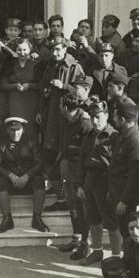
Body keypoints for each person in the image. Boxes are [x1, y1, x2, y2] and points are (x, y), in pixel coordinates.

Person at [39, 36, 84, 212]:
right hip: (52, 115)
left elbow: (81, 92)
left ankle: (67, 197)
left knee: (64, 153)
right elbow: (43, 89)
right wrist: (41, 111)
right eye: (53, 49)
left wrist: (64, 85)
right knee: (50, 150)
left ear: (65, 49)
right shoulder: (51, 65)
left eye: (58, 49)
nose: (55, 53)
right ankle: (60, 195)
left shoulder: (74, 66)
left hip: (68, 117)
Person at [76, 99, 122, 265]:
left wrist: (114, 187)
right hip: (90, 179)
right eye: (92, 117)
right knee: (93, 218)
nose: (95, 121)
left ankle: (116, 257)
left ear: (107, 115)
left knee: (110, 220)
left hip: (106, 180)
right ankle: (97, 252)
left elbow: (119, 165)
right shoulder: (89, 135)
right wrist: (80, 184)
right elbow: (81, 161)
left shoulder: (115, 136)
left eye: (98, 117)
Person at [0, 117, 49, 233]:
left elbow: (40, 163)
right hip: (11, 181)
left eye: (18, 129)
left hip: (28, 180)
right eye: (12, 130)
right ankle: (7, 219)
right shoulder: (1, 144)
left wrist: (27, 175)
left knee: (39, 180)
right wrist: (10, 175)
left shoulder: (31, 142)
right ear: (7, 130)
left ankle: (37, 218)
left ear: (23, 130)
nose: (15, 133)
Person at [55, 90, 94, 260]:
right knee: (72, 205)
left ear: (64, 106)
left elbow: (89, 149)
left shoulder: (85, 123)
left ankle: (87, 244)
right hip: (68, 168)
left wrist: (74, 150)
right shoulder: (65, 121)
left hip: (80, 171)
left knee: (82, 207)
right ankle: (76, 238)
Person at [108, 102, 139, 240]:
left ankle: (131, 261)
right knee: (124, 231)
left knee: (130, 233)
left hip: (127, 198)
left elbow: (135, 174)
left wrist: (125, 200)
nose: (113, 119)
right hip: (118, 192)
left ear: (123, 119)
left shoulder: (134, 140)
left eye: (115, 116)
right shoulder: (125, 137)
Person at [1, 38, 40, 142]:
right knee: (16, 129)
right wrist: (14, 86)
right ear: (15, 50)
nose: (22, 53)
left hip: (31, 102)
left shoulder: (35, 64)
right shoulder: (10, 64)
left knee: (31, 129)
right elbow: (4, 84)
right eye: (19, 50)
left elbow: (40, 84)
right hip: (15, 102)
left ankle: (33, 155)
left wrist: (29, 86)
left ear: (29, 49)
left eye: (24, 50)